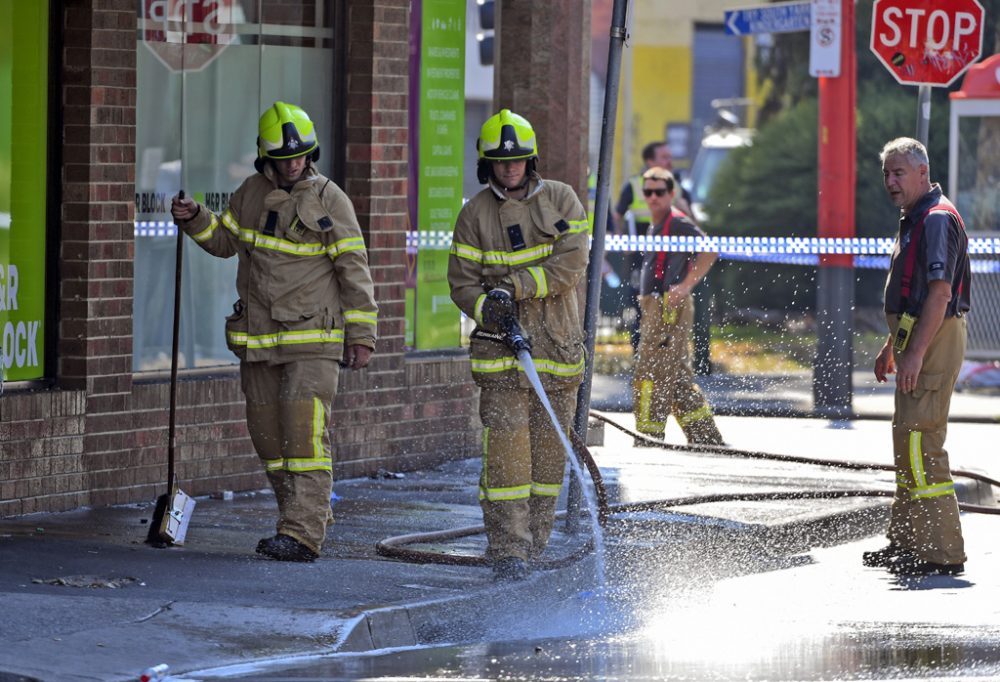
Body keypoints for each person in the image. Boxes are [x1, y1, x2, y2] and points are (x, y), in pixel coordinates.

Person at [170, 101, 378, 562]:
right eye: (284, 158)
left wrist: (361, 334)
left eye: (301, 156)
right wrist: (195, 219)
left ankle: (302, 534)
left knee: (304, 438)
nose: (293, 164)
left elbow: (354, 268)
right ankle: (304, 515)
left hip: (314, 341)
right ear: (265, 157)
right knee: (269, 440)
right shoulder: (249, 193)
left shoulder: (330, 199)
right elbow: (225, 243)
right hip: (260, 342)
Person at [447, 109, 589, 581]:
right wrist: (490, 308)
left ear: (532, 162)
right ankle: (508, 550)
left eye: (518, 162)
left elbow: (572, 261)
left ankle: (536, 546)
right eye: (500, 163)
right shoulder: (474, 215)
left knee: (548, 464)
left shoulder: (562, 200)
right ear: (486, 165)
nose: (510, 170)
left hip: (559, 351)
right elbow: (461, 283)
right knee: (508, 461)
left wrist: (516, 286)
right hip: (502, 355)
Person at [864, 137, 971, 577]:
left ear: (922, 173)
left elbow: (939, 293)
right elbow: (913, 294)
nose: (891, 181)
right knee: (907, 442)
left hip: (935, 340)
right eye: (887, 173)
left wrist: (915, 355)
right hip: (917, 339)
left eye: (899, 173)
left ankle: (942, 553)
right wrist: (894, 347)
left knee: (923, 443)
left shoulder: (934, 219)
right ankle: (908, 543)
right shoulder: (916, 217)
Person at [631, 167, 723, 446]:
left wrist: (685, 286)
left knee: (652, 372)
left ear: (671, 193)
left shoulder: (678, 223)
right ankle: (706, 438)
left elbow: (710, 250)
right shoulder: (655, 224)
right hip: (655, 306)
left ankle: (648, 436)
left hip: (667, 308)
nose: (653, 197)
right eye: (648, 192)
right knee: (676, 375)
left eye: (660, 192)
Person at [612, 141, 692, 352]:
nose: (669, 161)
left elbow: (694, 225)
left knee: (672, 305)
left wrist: (685, 208)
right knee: (642, 302)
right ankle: (641, 351)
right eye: (664, 157)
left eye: (670, 156)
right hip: (641, 258)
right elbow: (616, 216)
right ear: (650, 161)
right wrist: (622, 242)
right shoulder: (634, 185)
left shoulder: (679, 187)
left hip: (672, 259)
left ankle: (669, 351)